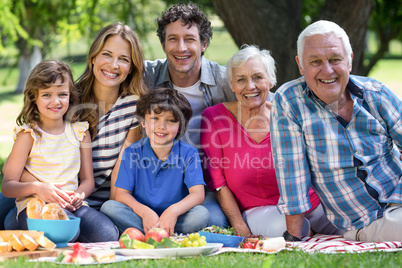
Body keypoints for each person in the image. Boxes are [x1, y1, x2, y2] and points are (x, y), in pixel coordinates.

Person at [1, 23, 146, 240]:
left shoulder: (132, 109)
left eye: (123, 59)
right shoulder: (68, 95)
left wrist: (80, 197)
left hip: (81, 200)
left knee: (87, 231)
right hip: (36, 192)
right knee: (6, 203)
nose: (113, 65)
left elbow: (113, 174)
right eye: (107, 54)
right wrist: (41, 187)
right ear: (93, 57)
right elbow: (15, 172)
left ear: (132, 66)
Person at [271, 20, 402, 242]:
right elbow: (292, 174)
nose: (327, 70)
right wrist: (293, 238)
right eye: (315, 62)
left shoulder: (376, 93)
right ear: (300, 65)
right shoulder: (290, 101)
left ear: (349, 61)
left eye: (335, 59)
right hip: (365, 221)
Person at [201, 45, 340, 238]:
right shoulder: (215, 118)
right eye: (241, 80)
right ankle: (310, 231)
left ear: (271, 80)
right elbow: (218, 183)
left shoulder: (286, 113)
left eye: (258, 77)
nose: (250, 86)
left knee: (350, 226)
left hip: (308, 201)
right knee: (287, 230)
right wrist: (239, 226)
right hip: (259, 209)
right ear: (232, 85)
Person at [144, 2, 236, 228]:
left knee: (213, 221)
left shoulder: (225, 80)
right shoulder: (147, 76)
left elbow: (266, 98)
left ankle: (168, 224)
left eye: (190, 39)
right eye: (172, 39)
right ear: (164, 44)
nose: (181, 47)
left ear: (204, 44)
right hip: (157, 181)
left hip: (204, 184)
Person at [2, 60, 98, 242]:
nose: (55, 101)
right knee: (65, 234)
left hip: (71, 206)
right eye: (46, 95)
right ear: (34, 98)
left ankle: (18, 227)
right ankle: (15, 221)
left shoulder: (80, 132)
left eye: (62, 94)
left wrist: (79, 195)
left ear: (70, 96)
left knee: (106, 234)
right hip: (35, 205)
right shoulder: (28, 135)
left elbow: (87, 180)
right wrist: (38, 188)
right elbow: (7, 186)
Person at [101, 88, 209, 235]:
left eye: (170, 120)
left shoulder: (189, 153)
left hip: (176, 217)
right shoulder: (132, 152)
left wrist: (173, 211)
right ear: (143, 121)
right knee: (109, 207)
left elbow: (198, 194)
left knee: (201, 214)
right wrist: (144, 212)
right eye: (155, 118)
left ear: (180, 126)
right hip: (140, 216)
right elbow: (121, 194)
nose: (161, 127)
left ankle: (156, 231)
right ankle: (162, 232)